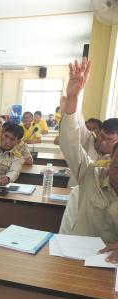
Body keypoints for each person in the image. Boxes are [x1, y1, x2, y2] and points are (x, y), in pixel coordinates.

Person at [59, 58, 118, 262]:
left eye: (108, 139)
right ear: (111, 161)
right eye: (116, 165)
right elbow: (70, 141)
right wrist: (73, 96)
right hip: (79, 260)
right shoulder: (91, 173)